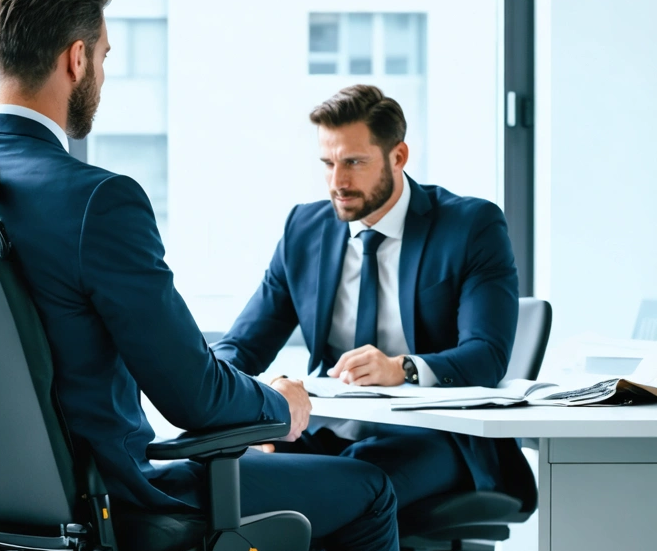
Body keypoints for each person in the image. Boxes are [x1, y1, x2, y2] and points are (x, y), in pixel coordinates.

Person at [0, 0, 429, 551]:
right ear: (76, 60)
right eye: (105, 56)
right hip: (123, 498)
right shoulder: (93, 199)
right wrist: (277, 409)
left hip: (4, 500)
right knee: (367, 496)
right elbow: (189, 394)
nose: (103, 73)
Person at [212, 84, 527, 512]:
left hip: (433, 437)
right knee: (212, 471)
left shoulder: (470, 226)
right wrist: (261, 397)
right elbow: (243, 345)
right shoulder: (305, 230)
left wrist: (403, 368)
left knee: (354, 486)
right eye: (328, 163)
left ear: (398, 157)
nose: (337, 182)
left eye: (354, 163)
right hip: (326, 431)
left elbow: (487, 356)